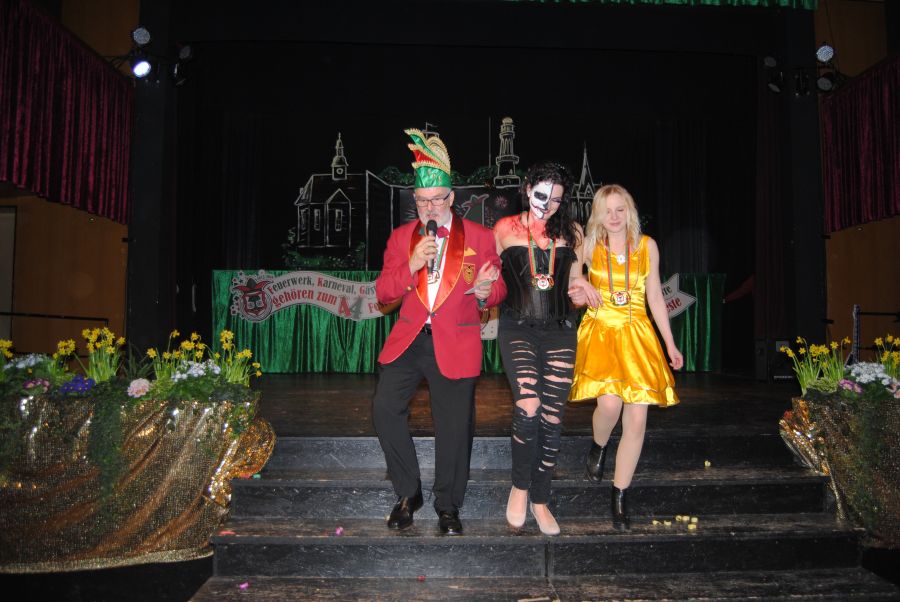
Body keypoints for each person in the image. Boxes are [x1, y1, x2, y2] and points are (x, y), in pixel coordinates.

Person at [372, 128, 506, 535]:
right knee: (384, 409)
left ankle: (448, 506)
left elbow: (499, 287)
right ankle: (408, 493)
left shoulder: (480, 237)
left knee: (454, 427)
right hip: (410, 340)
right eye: (421, 201)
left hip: (456, 340)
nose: (429, 208)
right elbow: (383, 292)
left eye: (436, 200)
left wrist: (485, 292)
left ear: (451, 198)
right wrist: (411, 264)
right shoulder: (401, 239)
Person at [567, 183, 684, 530]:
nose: (614, 216)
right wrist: (581, 285)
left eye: (620, 209)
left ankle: (619, 495)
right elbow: (571, 281)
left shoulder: (647, 246)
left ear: (629, 211)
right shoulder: (588, 244)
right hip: (602, 331)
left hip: (638, 334)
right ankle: (599, 444)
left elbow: (655, 297)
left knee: (636, 420)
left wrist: (670, 344)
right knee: (609, 406)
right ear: (598, 214)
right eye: (608, 211)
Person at [493, 161, 588, 536]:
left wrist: (582, 292)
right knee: (528, 405)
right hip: (517, 326)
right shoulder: (504, 229)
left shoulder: (573, 232)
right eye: (542, 195)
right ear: (527, 188)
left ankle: (541, 498)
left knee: (552, 416)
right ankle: (519, 486)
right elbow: (490, 279)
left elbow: (575, 285)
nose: (548, 205)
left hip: (560, 330)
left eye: (557, 200)